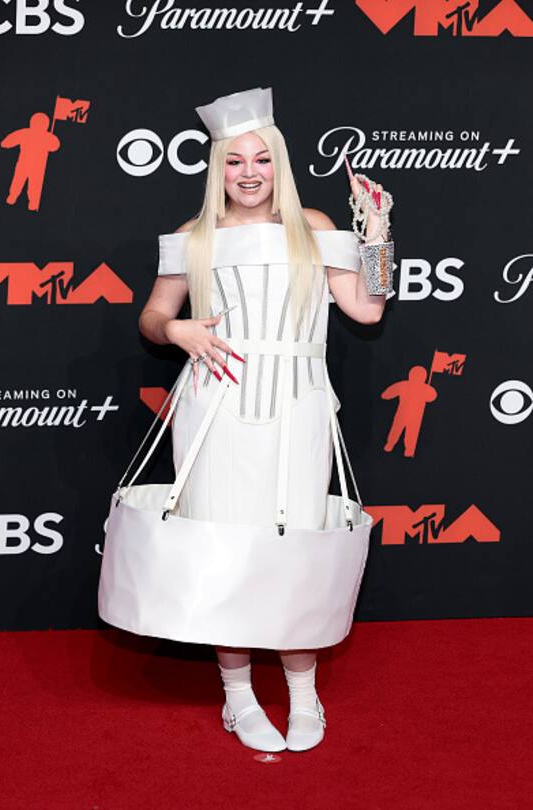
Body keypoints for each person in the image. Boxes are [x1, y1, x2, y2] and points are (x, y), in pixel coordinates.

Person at [137, 87, 394, 753]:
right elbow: (152, 317)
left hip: (298, 407)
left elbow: (369, 308)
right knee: (222, 551)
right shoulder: (194, 236)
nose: (248, 173)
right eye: (233, 161)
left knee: (296, 552)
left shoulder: (312, 224)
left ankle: (304, 696)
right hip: (215, 409)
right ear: (217, 168)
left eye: (261, 159)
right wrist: (176, 329)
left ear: (278, 163)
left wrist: (376, 232)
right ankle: (238, 696)